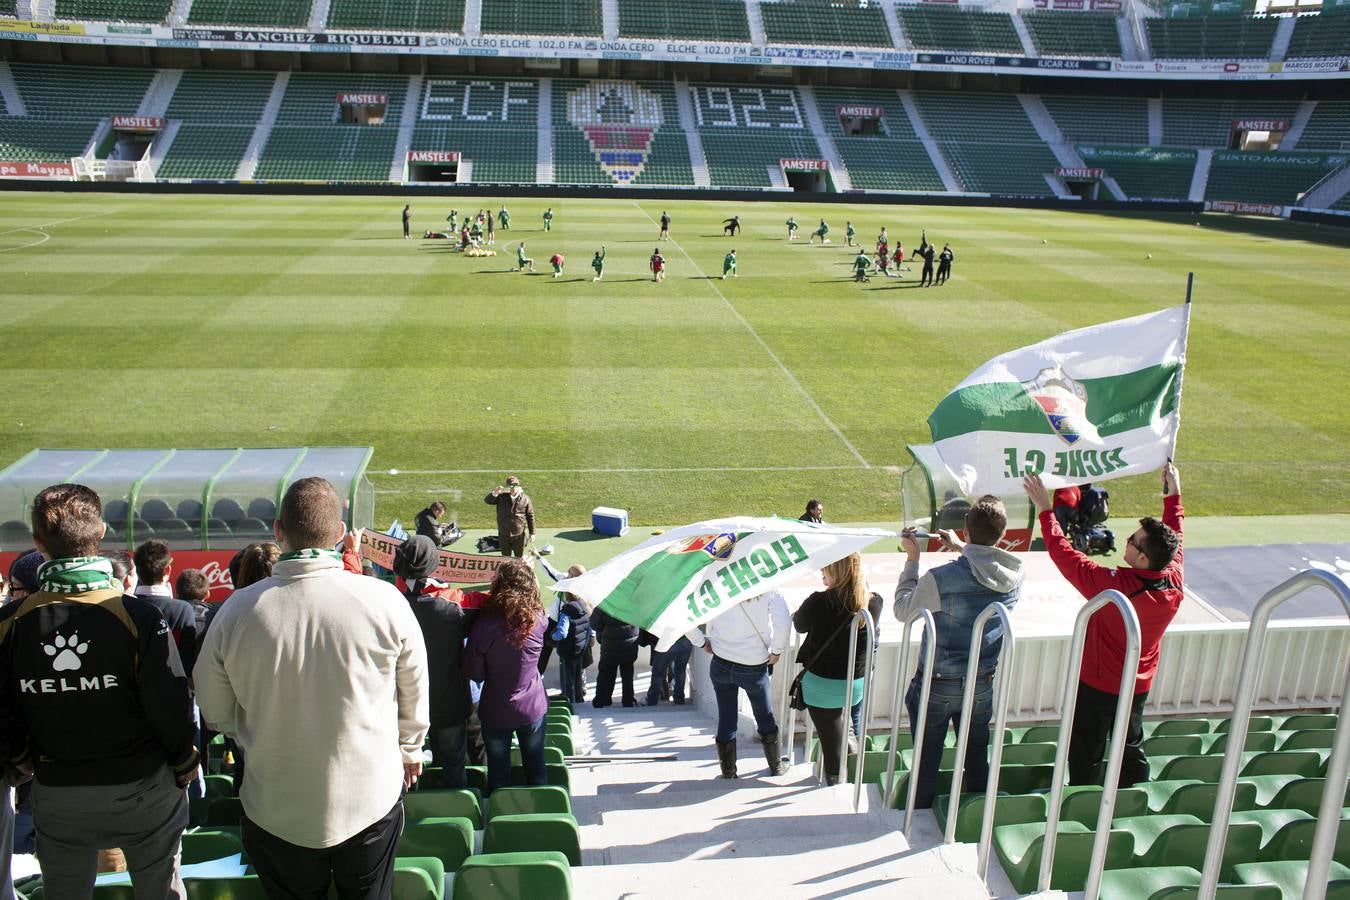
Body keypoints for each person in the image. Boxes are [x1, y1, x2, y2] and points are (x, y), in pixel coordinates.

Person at [195, 478, 428, 899]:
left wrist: (258, 727)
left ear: (278, 531)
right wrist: (410, 748)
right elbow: (414, 690)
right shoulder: (384, 602)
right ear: (340, 534)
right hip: (367, 798)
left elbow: (214, 709)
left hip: (276, 801)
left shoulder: (236, 610)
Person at [0, 484, 198, 898]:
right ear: (102, 531)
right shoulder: (138, 617)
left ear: (39, 543)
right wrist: (184, 760)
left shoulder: (10, 622)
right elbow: (171, 703)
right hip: (142, 788)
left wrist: (19, 757)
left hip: (57, 789)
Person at [1024, 464, 1184, 789]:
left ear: (1142, 559)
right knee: (1130, 744)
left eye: (1133, 541)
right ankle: (1133, 796)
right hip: (1138, 685)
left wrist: (1044, 510)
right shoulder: (1174, 576)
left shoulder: (1114, 587)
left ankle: (1082, 801)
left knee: (1085, 750)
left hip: (1098, 684)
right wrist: (1174, 496)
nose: (1127, 540)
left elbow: (1065, 555)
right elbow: (1176, 535)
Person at [892, 497, 1024, 810]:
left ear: (965, 530)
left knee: (926, 759)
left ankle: (919, 819)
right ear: (1003, 534)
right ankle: (976, 813)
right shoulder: (1015, 576)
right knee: (977, 755)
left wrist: (912, 560)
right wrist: (963, 548)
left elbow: (902, 611)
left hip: (936, 685)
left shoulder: (940, 578)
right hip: (981, 684)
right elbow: (985, 570)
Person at [792, 553, 883, 785]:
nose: (821, 571)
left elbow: (799, 624)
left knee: (830, 744)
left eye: (826, 568)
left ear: (835, 571)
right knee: (848, 716)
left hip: (821, 685)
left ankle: (836, 781)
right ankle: (851, 742)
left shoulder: (818, 601)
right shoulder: (874, 602)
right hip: (856, 685)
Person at [394, 535, 474, 790]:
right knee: (453, 765)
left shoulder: (388, 603)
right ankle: (455, 812)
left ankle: (412, 815)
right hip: (448, 704)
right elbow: (495, 602)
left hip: (401, 708)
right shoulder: (453, 604)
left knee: (405, 769)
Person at [462, 559, 548, 793]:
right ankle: (539, 816)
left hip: (496, 710)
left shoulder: (483, 627)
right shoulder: (539, 618)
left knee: (499, 775)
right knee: (537, 770)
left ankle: (501, 820)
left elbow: (474, 673)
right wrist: (528, 573)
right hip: (532, 708)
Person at [687, 589, 789, 778]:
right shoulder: (769, 587)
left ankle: (728, 771)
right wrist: (777, 651)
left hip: (721, 660)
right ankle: (776, 766)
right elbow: (782, 624)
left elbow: (685, 614)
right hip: (753, 664)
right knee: (764, 717)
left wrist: (700, 642)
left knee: (727, 718)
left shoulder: (715, 581)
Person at [133, 539, 200, 675]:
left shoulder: (125, 606)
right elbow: (187, 663)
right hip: (171, 689)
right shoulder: (182, 610)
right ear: (168, 570)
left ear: (137, 570)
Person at [589, 605, 639, 708]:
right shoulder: (633, 603)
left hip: (610, 645)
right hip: (629, 644)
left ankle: (602, 700)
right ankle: (628, 700)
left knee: (606, 673)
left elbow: (595, 624)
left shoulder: (606, 603)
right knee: (627, 674)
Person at [484, 476, 535, 558]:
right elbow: (487, 501)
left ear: (519, 486)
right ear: (507, 487)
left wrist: (532, 533)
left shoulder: (525, 499)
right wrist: (495, 492)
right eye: (510, 486)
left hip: (519, 536)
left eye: (515, 485)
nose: (513, 488)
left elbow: (530, 516)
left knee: (519, 559)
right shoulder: (501, 497)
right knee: (505, 559)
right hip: (504, 535)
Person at [644, 636, 693, 708]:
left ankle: (652, 700)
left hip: (668, 640)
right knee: (680, 670)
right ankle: (679, 699)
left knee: (658, 672)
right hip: (686, 640)